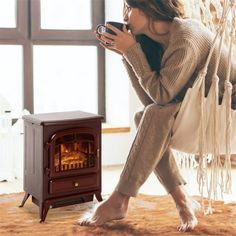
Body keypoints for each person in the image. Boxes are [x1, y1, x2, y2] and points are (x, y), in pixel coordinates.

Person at [79, 0, 236, 232]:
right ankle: (182, 200)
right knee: (144, 117)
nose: (125, 16)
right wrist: (126, 55)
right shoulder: (155, 44)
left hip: (227, 112)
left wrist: (130, 51)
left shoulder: (186, 37)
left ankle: (120, 199)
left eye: (129, 9)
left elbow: (161, 97)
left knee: (152, 115)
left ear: (148, 8)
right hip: (198, 109)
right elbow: (151, 101)